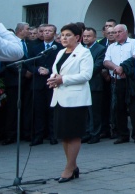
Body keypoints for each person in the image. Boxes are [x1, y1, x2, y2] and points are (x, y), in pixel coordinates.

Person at [47, 23, 93, 183]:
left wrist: (63, 79)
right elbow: (57, 71)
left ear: (77, 37)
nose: (63, 38)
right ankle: (72, 166)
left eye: (68, 35)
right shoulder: (60, 52)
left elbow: (86, 75)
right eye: (62, 35)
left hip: (76, 100)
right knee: (64, 134)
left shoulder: (84, 53)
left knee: (73, 134)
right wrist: (53, 79)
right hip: (60, 97)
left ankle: (69, 168)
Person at [103, 25, 135, 144]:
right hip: (117, 79)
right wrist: (117, 68)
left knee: (134, 108)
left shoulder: (134, 43)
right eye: (114, 32)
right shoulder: (111, 47)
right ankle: (123, 134)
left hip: (131, 80)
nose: (116, 34)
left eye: (119, 32)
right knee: (118, 107)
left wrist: (123, 68)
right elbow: (106, 61)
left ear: (126, 32)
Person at [28, 24, 61, 146]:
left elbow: (62, 66)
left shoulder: (59, 47)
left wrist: (50, 71)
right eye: (44, 31)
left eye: (49, 31)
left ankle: (53, 135)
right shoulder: (35, 47)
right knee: (38, 111)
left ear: (54, 33)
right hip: (38, 83)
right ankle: (38, 136)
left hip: (52, 82)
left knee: (52, 110)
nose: (46, 33)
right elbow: (29, 64)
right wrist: (37, 70)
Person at [0, 22, 30, 145]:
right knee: (13, 109)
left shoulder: (27, 44)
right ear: (20, 30)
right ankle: (10, 134)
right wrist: (24, 72)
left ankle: (24, 132)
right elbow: (8, 61)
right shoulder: (11, 43)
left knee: (25, 107)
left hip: (27, 81)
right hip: (14, 80)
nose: (29, 31)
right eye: (27, 29)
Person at [81, 27, 106, 144]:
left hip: (94, 84)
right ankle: (86, 132)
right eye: (84, 36)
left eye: (88, 36)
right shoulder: (80, 49)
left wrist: (82, 74)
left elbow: (97, 66)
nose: (86, 38)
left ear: (95, 37)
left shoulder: (100, 49)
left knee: (94, 111)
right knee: (85, 111)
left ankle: (95, 134)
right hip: (82, 85)